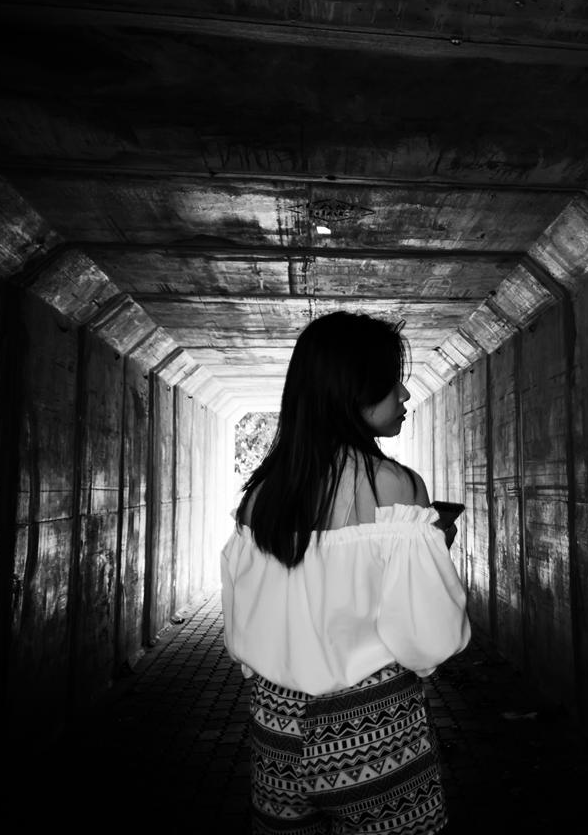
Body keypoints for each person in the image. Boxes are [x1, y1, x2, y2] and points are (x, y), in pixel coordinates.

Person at [221, 311, 470, 835]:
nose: (404, 395)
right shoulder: (396, 488)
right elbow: (428, 637)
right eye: (391, 381)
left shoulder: (260, 498)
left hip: (275, 729)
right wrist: (434, 558)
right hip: (372, 728)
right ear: (352, 390)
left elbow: (245, 625)